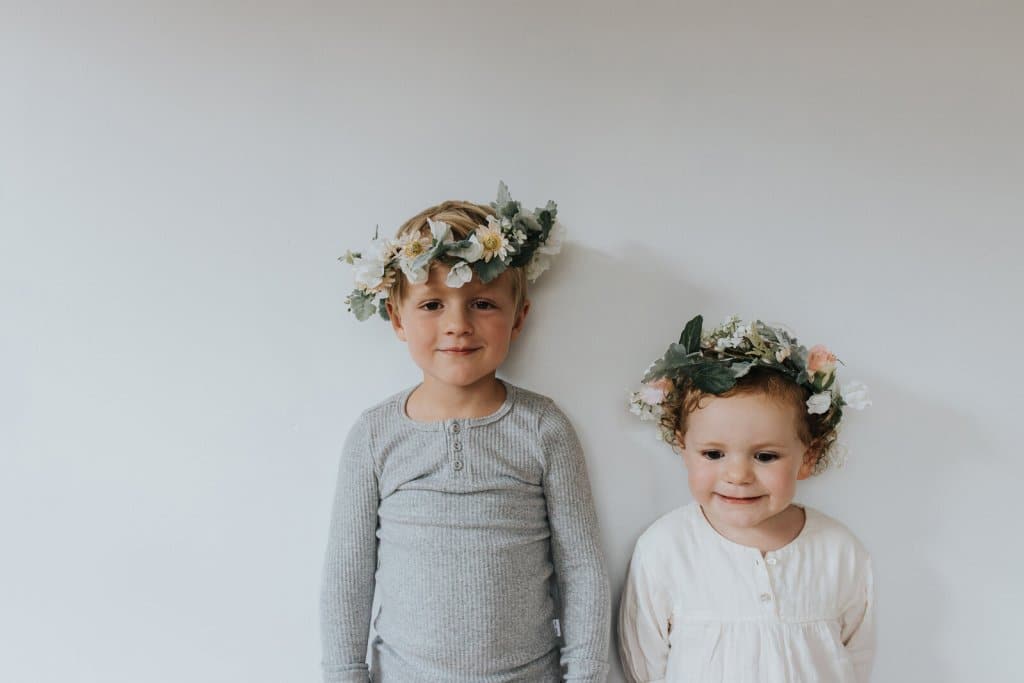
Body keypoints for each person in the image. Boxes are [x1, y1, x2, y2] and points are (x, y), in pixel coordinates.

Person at [321, 183, 610, 682]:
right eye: (432, 305)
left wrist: (585, 674)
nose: (458, 325)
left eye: (482, 303)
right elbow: (348, 575)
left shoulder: (543, 427)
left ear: (518, 318)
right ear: (397, 318)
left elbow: (582, 568)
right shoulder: (375, 434)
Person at [620, 315, 874, 683]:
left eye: (765, 456)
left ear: (809, 456)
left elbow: (857, 658)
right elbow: (644, 664)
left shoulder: (839, 551)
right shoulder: (666, 548)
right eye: (713, 454)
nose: (737, 475)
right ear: (682, 446)